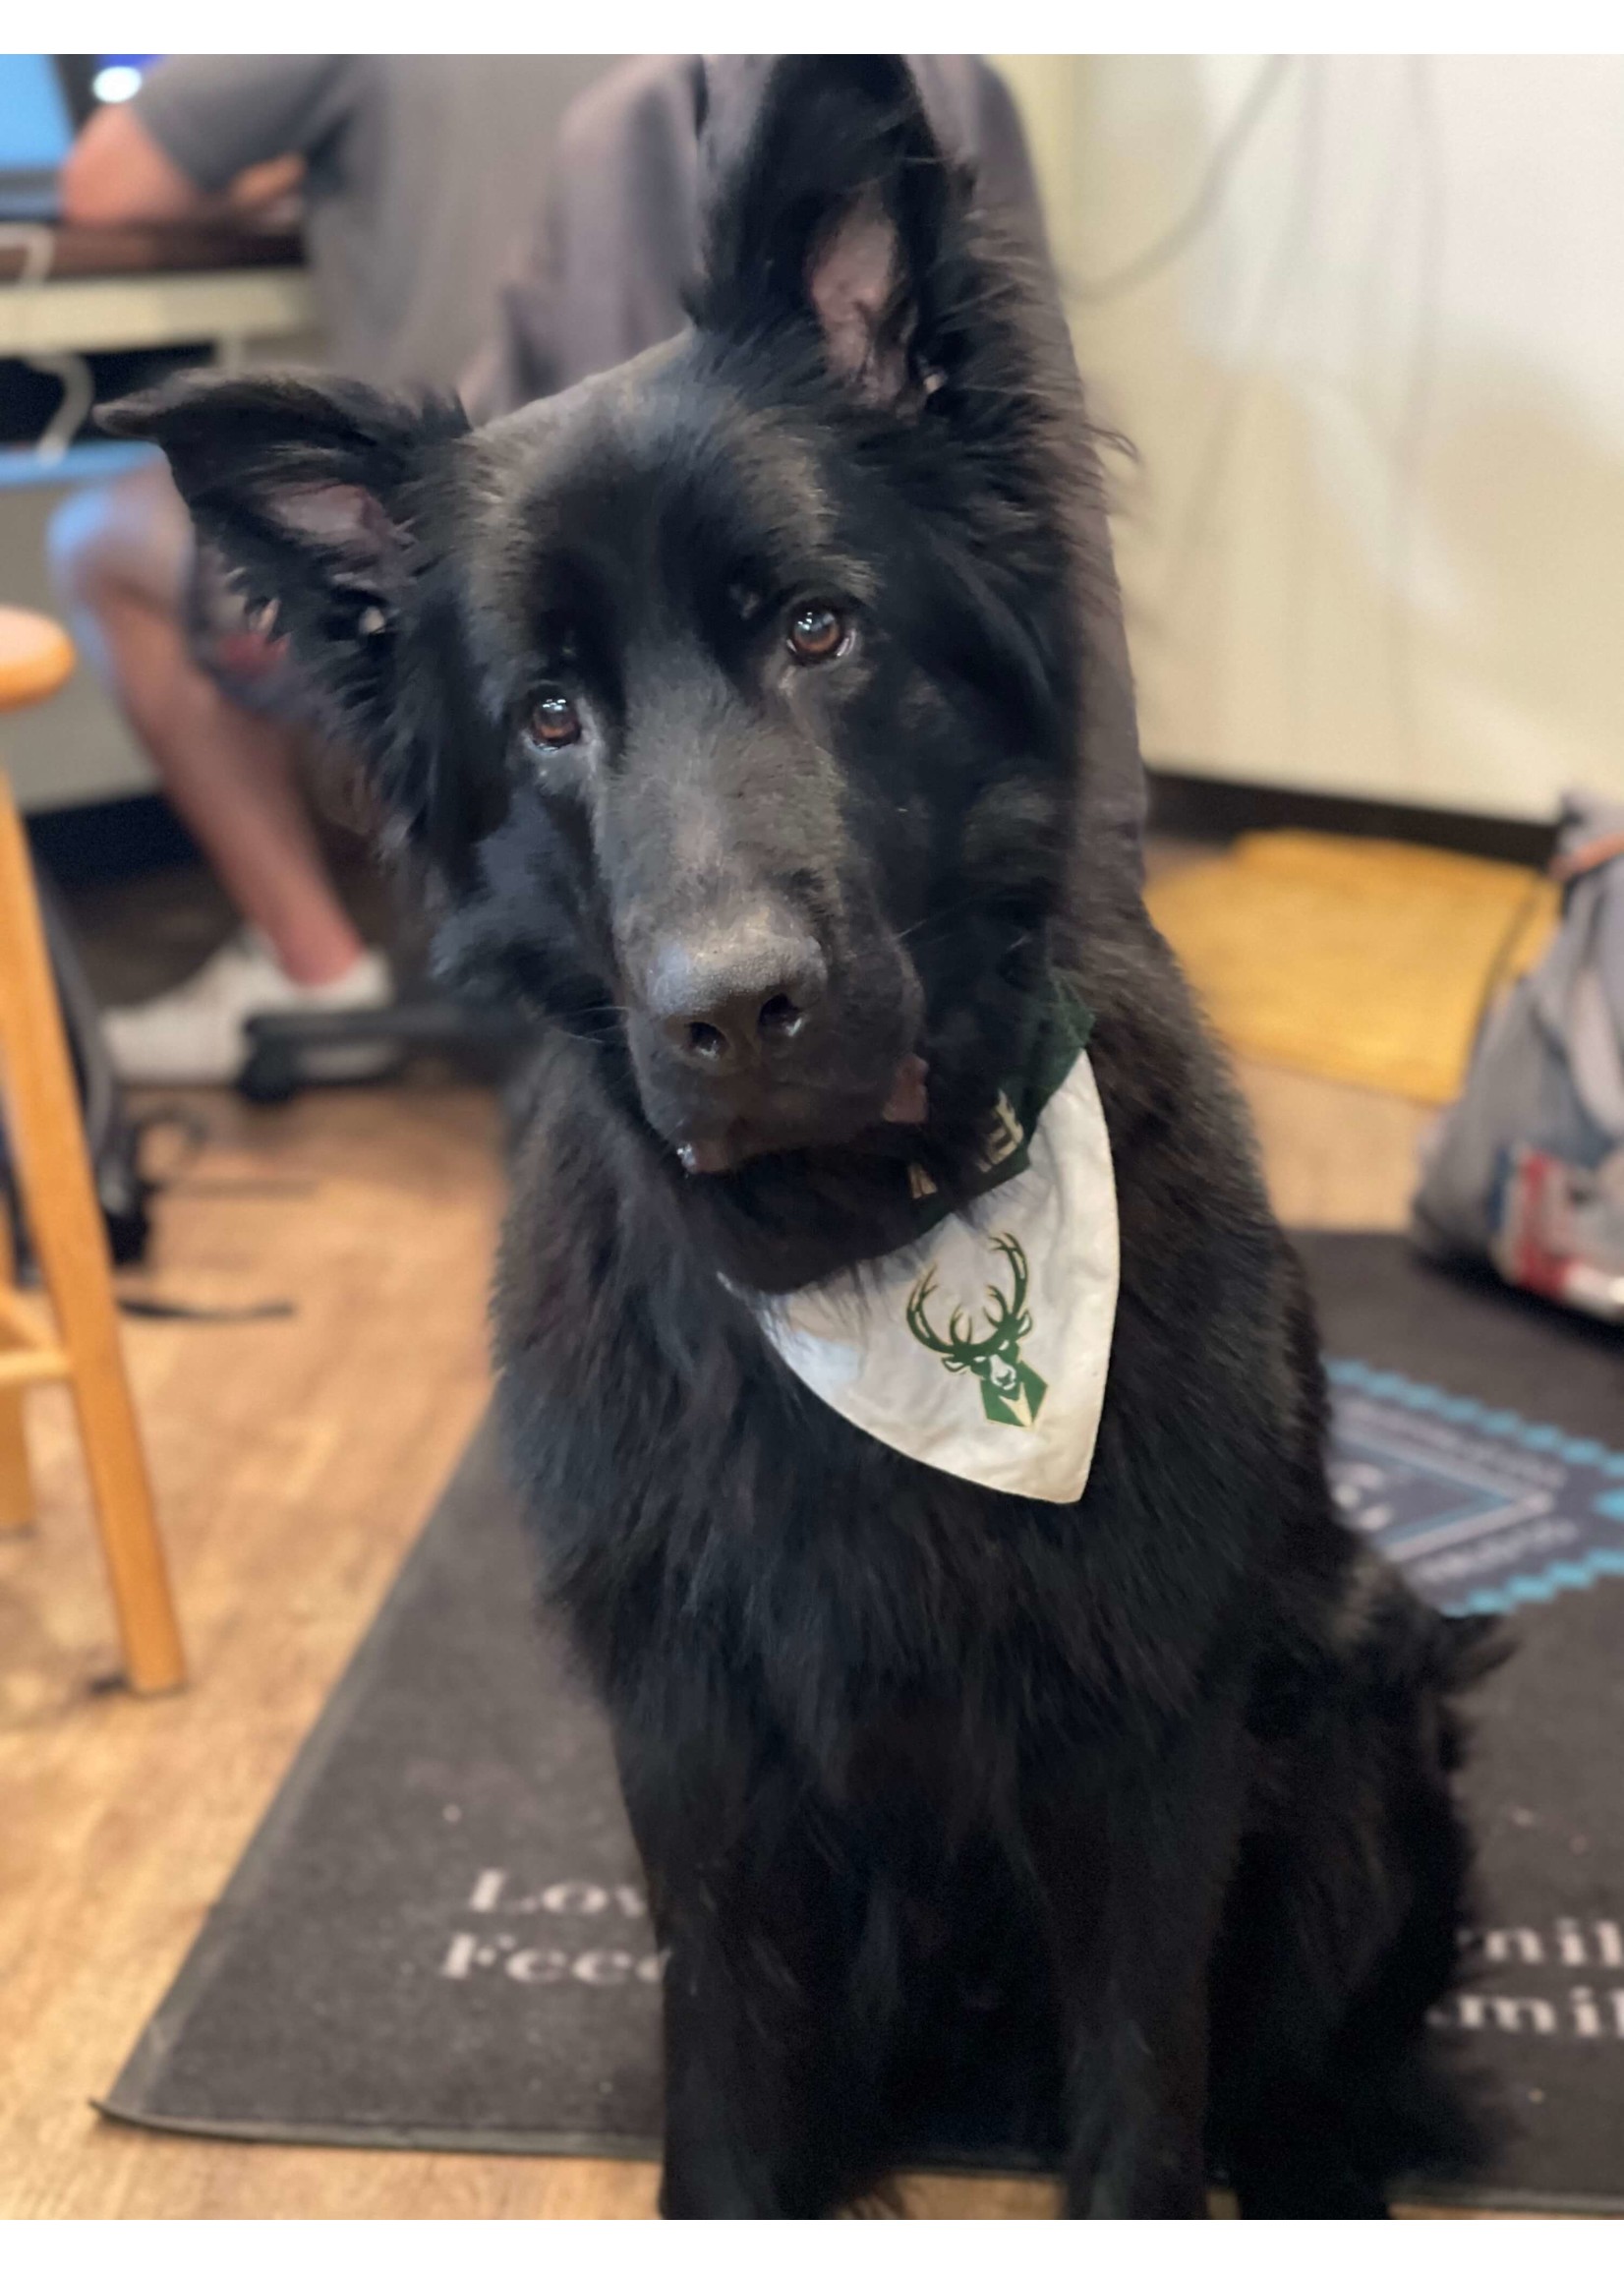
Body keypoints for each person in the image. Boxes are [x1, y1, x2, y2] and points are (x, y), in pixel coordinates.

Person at [48, 56, 608, 1081]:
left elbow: (102, 185)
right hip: (650, 510)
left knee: (94, 536)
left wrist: (271, 169)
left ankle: (315, 964)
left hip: (465, 557)